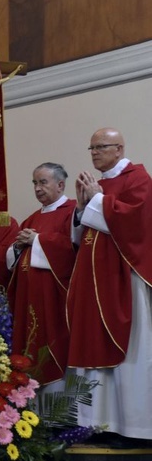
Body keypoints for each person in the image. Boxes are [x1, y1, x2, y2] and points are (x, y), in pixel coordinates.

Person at [66, 128, 152, 442]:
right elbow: (80, 235)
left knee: (128, 353)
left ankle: (132, 427)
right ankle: (94, 423)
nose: (94, 153)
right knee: (91, 347)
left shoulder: (137, 178)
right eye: (91, 148)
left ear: (119, 148)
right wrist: (80, 207)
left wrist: (96, 200)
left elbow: (135, 224)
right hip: (92, 280)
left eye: (101, 147)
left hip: (122, 280)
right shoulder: (98, 186)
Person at [6, 163, 76, 385]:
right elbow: (13, 254)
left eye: (43, 182)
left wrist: (37, 239)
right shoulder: (32, 218)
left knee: (50, 343)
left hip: (53, 296)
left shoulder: (72, 212)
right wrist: (17, 247)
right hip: (28, 294)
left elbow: (72, 250)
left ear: (60, 185)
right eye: (35, 183)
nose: (37, 188)